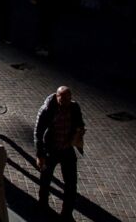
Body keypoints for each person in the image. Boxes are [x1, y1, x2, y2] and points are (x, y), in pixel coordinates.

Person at [34, 85, 86, 219]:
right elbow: (38, 132)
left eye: (68, 100)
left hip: (67, 149)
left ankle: (67, 213)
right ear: (57, 97)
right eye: (63, 101)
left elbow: (80, 122)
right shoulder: (47, 110)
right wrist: (40, 155)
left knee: (71, 183)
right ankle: (43, 204)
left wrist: (80, 130)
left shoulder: (74, 107)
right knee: (45, 179)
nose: (65, 104)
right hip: (50, 150)